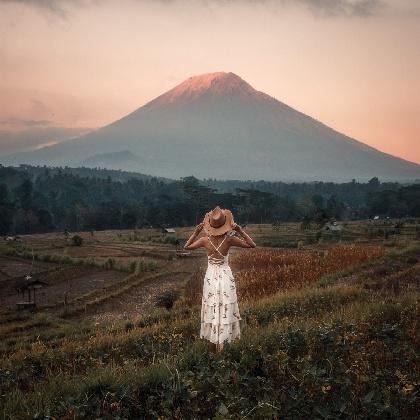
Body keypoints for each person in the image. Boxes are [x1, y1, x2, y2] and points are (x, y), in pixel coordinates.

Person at [184, 206, 257, 352]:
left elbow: (187, 246)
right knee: (224, 307)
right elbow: (252, 245)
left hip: (211, 278)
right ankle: (223, 343)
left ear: (210, 225)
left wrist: (196, 232)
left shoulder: (205, 240)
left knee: (212, 306)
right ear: (225, 224)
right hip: (225, 278)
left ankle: (213, 344)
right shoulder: (229, 240)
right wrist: (240, 230)